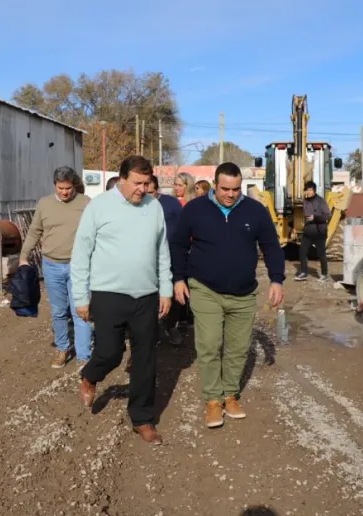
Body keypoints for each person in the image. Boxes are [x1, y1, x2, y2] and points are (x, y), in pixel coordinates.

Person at [171, 162, 285, 428]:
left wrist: (277, 279)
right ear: (215, 183)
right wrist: (178, 278)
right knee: (209, 344)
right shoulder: (196, 209)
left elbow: (271, 246)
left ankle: (230, 395)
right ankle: (213, 400)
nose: (230, 194)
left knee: (238, 347)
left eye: (236, 189)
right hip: (205, 288)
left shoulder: (255, 211)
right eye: (225, 189)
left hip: (243, 293)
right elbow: (177, 244)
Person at [71, 155, 172, 445]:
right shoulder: (99, 206)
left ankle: (142, 418)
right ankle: (91, 375)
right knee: (110, 352)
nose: (143, 189)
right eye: (137, 183)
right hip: (108, 294)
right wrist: (81, 297)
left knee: (145, 359)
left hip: (146, 295)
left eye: (147, 183)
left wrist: (164, 289)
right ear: (123, 179)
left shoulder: (155, 208)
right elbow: (81, 254)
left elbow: (162, 251)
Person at [19, 166, 92, 369]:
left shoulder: (85, 203)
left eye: (68, 188)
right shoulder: (45, 204)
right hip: (51, 265)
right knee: (59, 311)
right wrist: (23, 256)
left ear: (74, 185)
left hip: (78, 266)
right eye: (61, 188)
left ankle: (84, 356)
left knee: (81, 311)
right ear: (55, 185)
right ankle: (62, 348)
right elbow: (34, 232)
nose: (65, 192)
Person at [147, 174, 187, 345]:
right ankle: (152, 332)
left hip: (169, 257)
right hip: (146, 261)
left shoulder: (171, 204)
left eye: (151, 192)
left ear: (158, 190)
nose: (147, 196)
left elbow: (183, 229)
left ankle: (171, 326)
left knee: (172, 294)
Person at [296, 181, 330, 282]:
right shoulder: (305, 201)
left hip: (319, 231)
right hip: (308, 231)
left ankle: (324, 274)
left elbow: (327, 215)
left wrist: (315, 218)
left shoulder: (321, 201)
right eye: (307, 190)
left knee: (321, 254)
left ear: (314, 190)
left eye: (310, 190)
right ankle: (304, 273)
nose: (308, 192)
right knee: (302, 252)